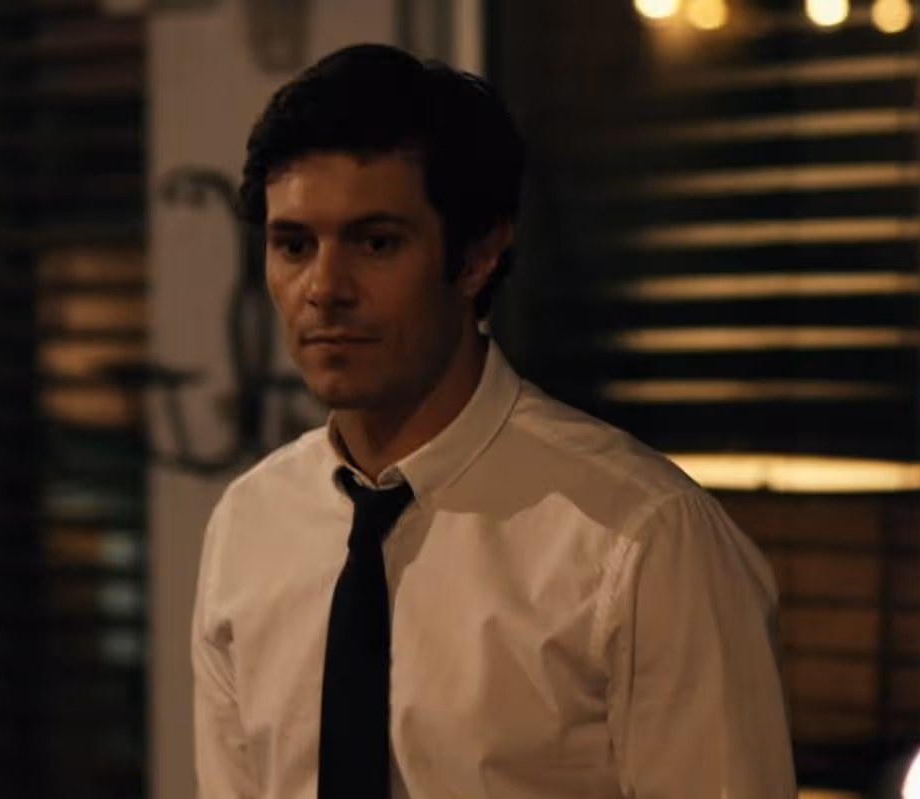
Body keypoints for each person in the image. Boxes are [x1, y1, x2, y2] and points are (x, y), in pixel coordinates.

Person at [191, 43, 796, 799]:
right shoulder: (250, 525)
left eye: (376, 243)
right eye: (294, 245)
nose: (324, 288)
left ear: (478, 256)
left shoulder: (639, 538)